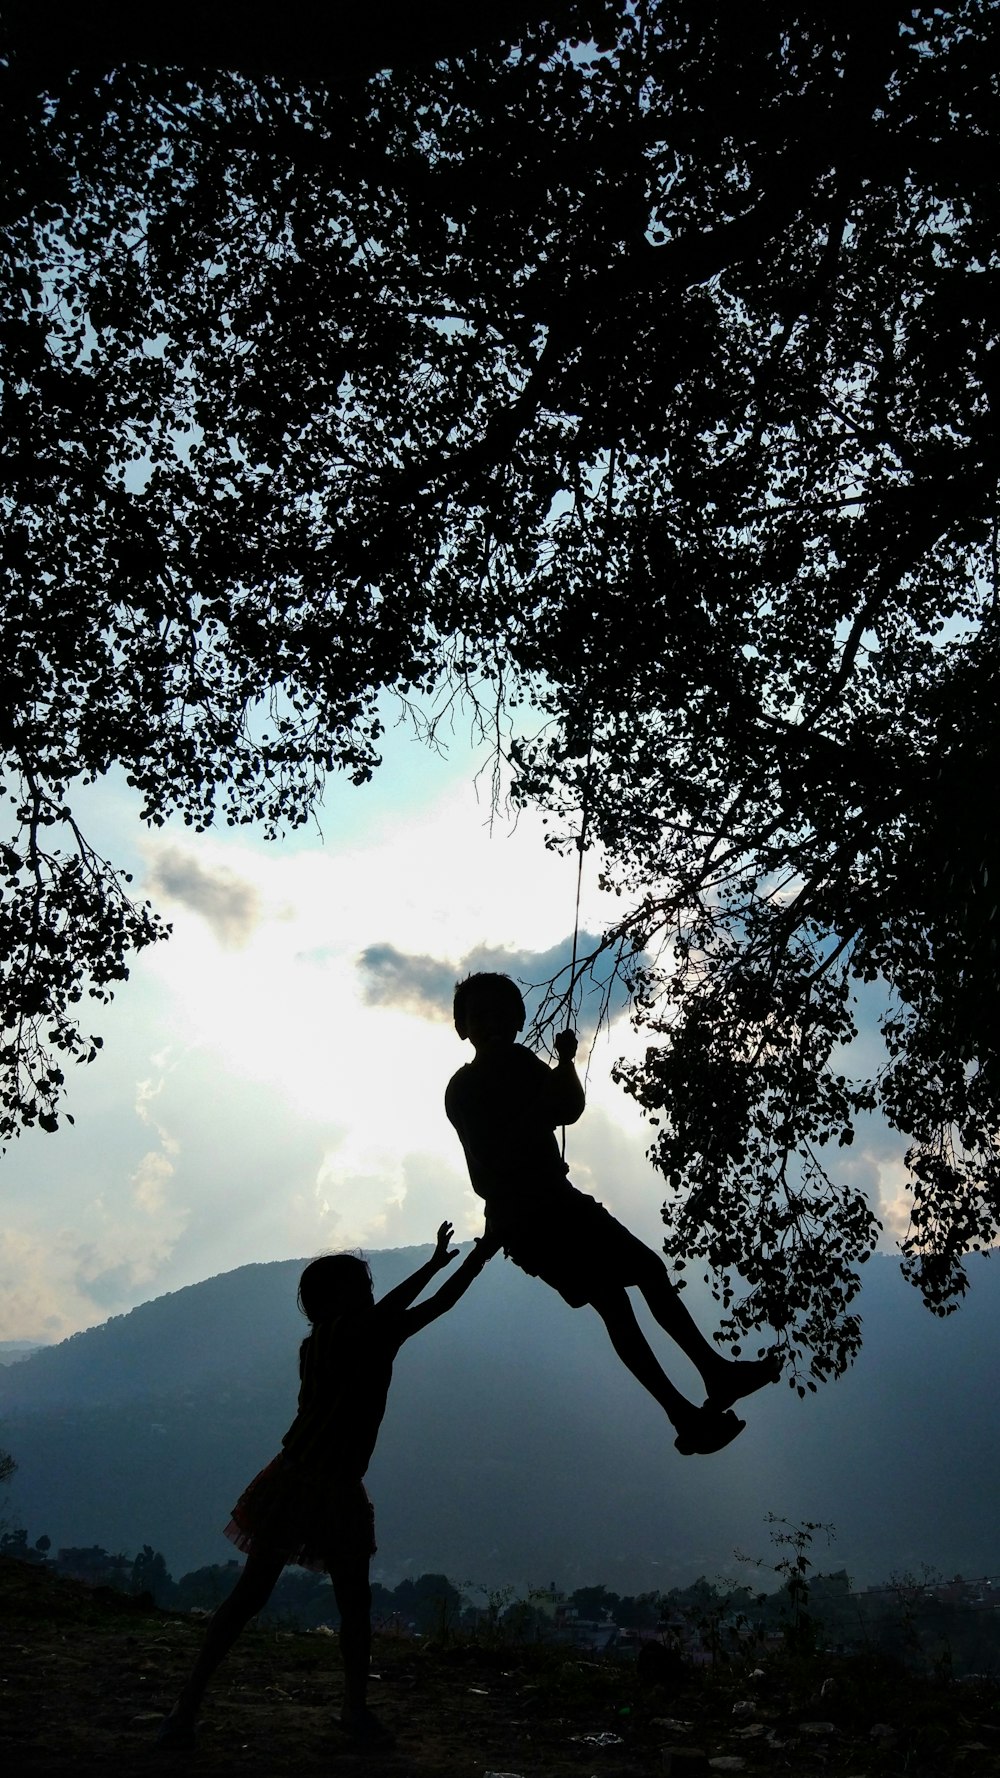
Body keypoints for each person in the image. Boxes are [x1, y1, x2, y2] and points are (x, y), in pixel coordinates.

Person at [158, 1223, 491, 1750]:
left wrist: (452, 1262)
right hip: (316, 1484)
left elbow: (414, 1309)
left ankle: (188, 1709)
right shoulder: (353, 1336)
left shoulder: (325, 1340)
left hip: (306, 1479)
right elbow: (421, 1308)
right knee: (326, 1603)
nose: (369, 1293)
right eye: (359, 1286)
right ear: (334, 1299)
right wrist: (456, 1262)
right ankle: (346, 1710)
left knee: (272, 1598)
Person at [445, 971, 779, 1456]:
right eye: (481, 1017)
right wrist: (547, 1090)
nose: (493, 1024)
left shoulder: (519, 1065)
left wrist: (564, 1063)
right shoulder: (466, 1087)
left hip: (556, 1205)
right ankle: (689, 1404)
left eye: (502, 1015)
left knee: (646, 1273)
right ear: (464, 1028)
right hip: (528, 1220)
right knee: (614, 1301)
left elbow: (568, 1108)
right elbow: (505, 1145)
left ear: (517, 1021)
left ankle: (711, 1376)